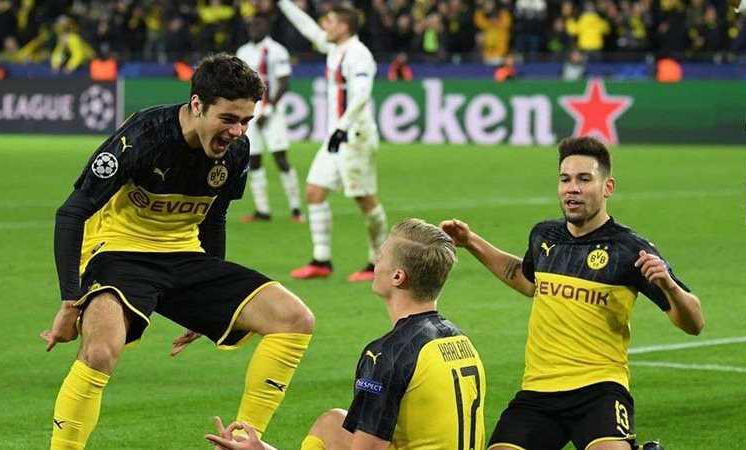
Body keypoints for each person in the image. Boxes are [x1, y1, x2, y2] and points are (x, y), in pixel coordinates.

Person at [41, 53, 314, 450]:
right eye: (228, 119)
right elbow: (71, 213)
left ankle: (243, 443)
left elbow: (214, 217)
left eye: (246, 121)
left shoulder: (236, 151)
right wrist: (70, 303)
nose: (238, 131)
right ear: (197, 104)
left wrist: (209, 302)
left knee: (295, 319)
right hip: (117, 253)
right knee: (99, 352)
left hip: (184, 255)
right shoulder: (143, 136)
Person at [440, 136, 704, 450]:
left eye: (584, 179)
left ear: (608, 187)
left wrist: (669, 286)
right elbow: (524, 279)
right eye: (565, 179)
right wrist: (470, 241)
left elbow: (695, 323)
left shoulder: (629, 249)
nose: (572, 188)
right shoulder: (544, 236)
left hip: (599, 389)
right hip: (538, 391)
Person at [207, 219, 486, 450]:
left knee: (329, 427)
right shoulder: (461, 341)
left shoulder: (386, 355)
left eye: (381, 256)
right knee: (333, 423)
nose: (375, 262)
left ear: (397, 277)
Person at [277, 0, 388, 282]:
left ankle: (380, 262)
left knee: (365, 199)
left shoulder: (359, 55)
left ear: (344, 26)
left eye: (329, 21)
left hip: (354, 136)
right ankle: (321, 259)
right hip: (336, 136)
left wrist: (342, 127)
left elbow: (362, 94)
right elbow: (308, 28)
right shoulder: (336, 49)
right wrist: (284, 4)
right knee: (315, 191)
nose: (323, 26)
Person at [236, 16, 304, 224]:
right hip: (250, 111)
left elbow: (283, 82)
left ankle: (296, 209)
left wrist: (269, 109)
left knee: (280, 157)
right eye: (251, 25)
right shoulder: (243, 52)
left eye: (259, 24)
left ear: (267, 26)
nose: (254, 29)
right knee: (254, 159)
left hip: (273, 111)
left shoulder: (277, 50)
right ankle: (262, 210)